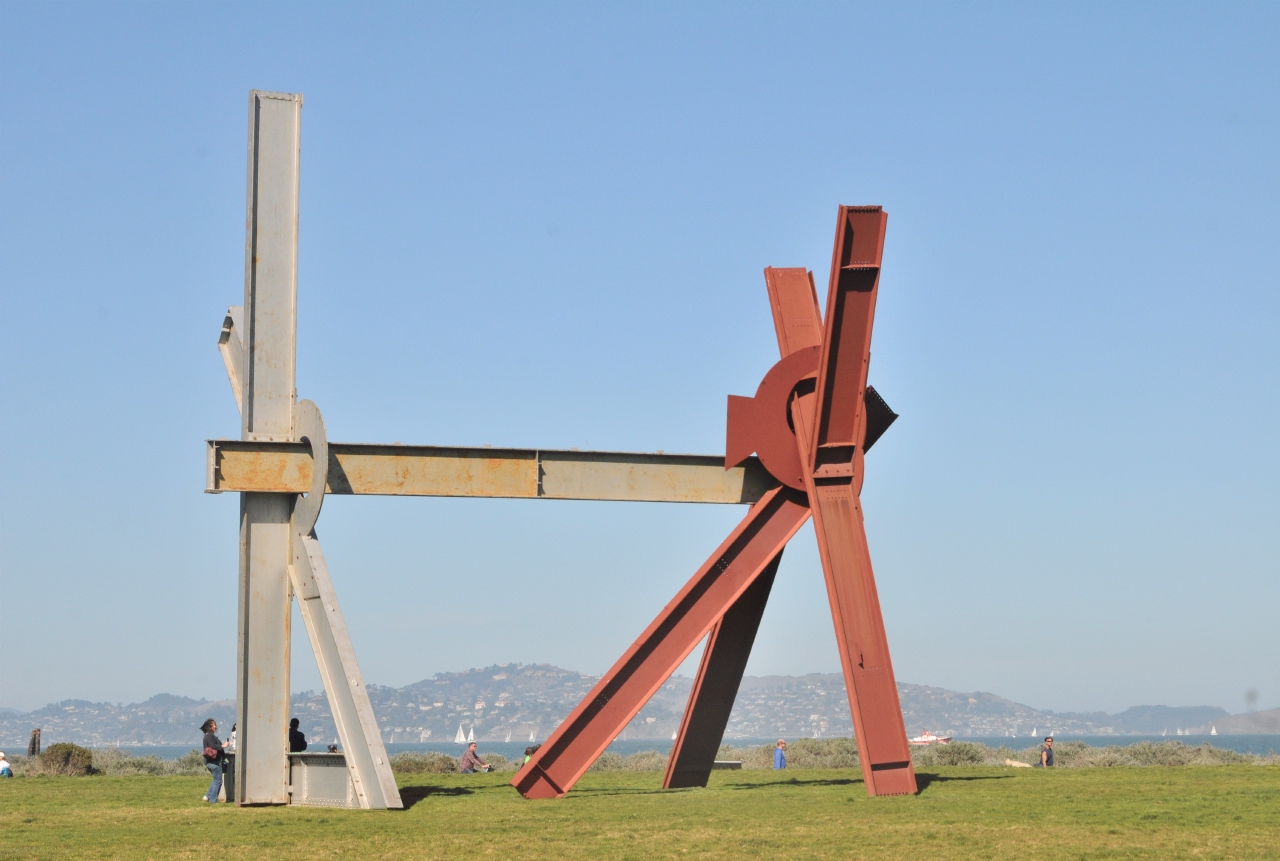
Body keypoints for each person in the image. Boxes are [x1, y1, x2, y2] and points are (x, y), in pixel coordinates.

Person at [200, 719, 229, 802]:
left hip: (209, 762)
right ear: (209, 727)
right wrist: (223, 746)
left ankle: (208, 796)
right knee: (218, 781)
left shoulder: (206, 736)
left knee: (216, 779)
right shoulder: (210, 736)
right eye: (213, 725)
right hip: (214, 762)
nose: (215, 726)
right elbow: (213, 745)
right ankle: (213, 800)